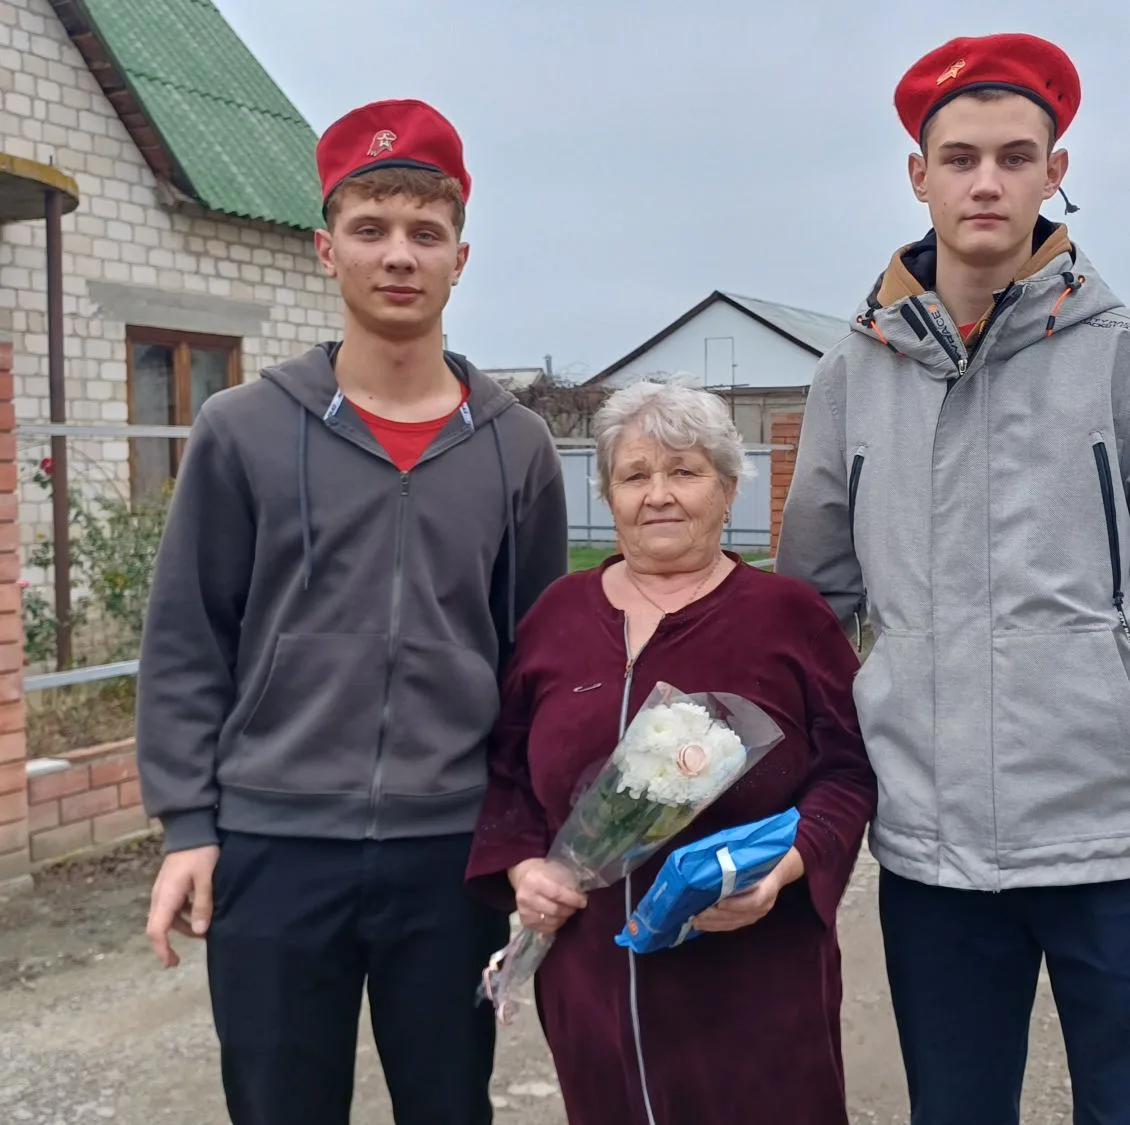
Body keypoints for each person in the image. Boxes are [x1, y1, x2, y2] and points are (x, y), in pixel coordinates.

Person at [135, 98, 568, 1125]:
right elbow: (189, 638)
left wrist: (527, 833)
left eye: (426, 231)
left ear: (461, 257)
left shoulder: (516, 447)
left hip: (451, 853)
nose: (399, 254)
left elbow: (536, 662)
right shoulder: (242, 429)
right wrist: (189, 825)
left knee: (449, 1104)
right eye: (370, 229)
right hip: (272, 845)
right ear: (326, 250)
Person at [776, 33, 1130, 1125]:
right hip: (932, 839)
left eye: (1015, 158)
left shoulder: (1117, 353)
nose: (986, 182)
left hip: (1109, 827)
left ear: (1053, 173)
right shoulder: (852, 371)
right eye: (960, 158)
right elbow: (810, 602)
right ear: (916, 174)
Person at [466, 380, 877, 1125]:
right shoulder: (558, 615)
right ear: (608, 495)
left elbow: (848, 772)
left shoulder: (788, 617)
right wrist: (527, 870)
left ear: (728, 489)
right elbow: (507, 771)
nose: (658, 494)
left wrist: (785, 868)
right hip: (593, 975)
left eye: (684, 471)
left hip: (752, 974)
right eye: (634, 475)